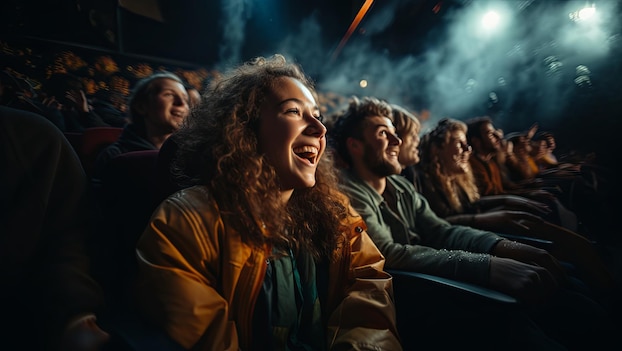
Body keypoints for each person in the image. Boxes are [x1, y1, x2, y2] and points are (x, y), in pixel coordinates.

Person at [132, 55, 402, 350]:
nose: (319, 128)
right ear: (245, 128)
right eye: (293, 112)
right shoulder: (187, 220)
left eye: (317, 116)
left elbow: (369, 288)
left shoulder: (337, 212)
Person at [329, 96, 618, 350]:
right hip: (417, 301)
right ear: (355, 145)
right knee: (532, 327)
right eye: (384, 133)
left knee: (570, 292)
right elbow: (389, 255)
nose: (397, 141)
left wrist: (499, 246)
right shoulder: (350, 193)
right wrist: (485, 264)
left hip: (442, 279)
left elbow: (441, 230)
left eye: (395, 133)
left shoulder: (399, 187)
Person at [415, 118, 615, 295]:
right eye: (460, 144)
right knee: (567, 260)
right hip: (474, 239)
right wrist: (501, 211)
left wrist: (512, 203)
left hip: (481, 230)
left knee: (573, 250)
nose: (468, 150)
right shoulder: (423, 181)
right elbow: (440, 226)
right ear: (437, 148)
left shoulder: (460, 176)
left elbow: (477, 202)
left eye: (467, 144)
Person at [0, 105, 110, 350]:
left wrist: (75, 315)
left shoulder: (32, 137)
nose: (181, 105)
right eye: (169, 95)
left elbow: (66, 241)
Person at [92, 71, 190, 181]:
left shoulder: (192, 157)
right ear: (141, 107)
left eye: (186, 99)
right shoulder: (115, 156)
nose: (181, 103)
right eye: (169, 94)